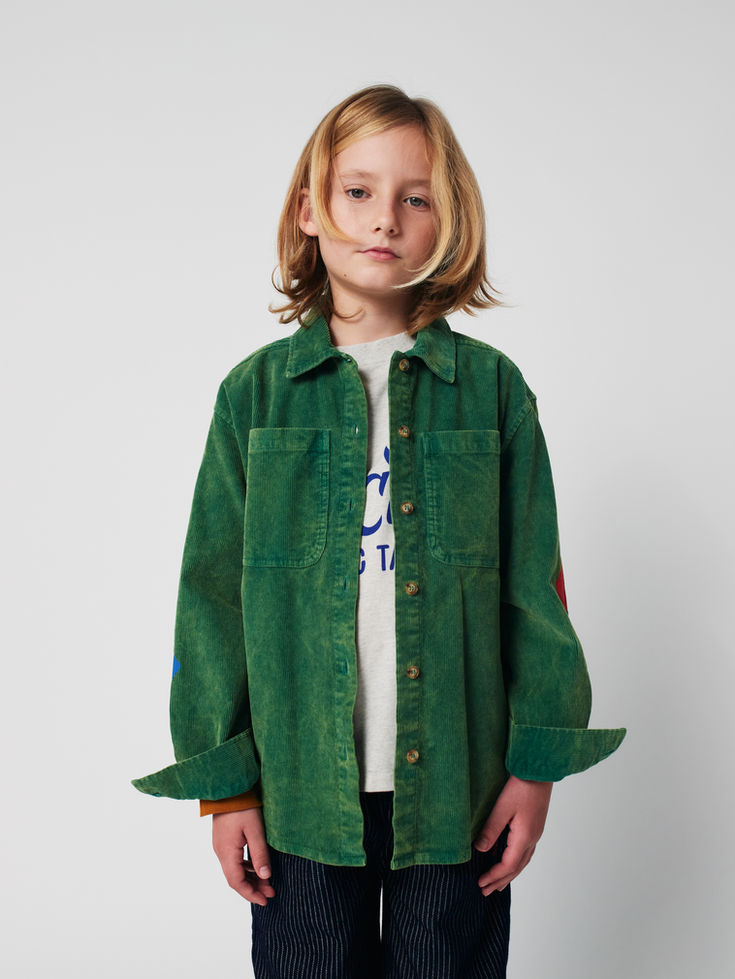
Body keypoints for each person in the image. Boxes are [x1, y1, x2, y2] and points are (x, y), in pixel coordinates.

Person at [133, 84, 626, 978]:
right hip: (295, 793)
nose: (384, 219)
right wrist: (223, 785)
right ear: (309, 207)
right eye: (357, 190)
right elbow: (208, 594)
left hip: (459, 787)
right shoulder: (254, 396)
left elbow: (535, 588)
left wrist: (536, 765)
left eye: (416, 196)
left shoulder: (492, 393)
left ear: (449, 219)